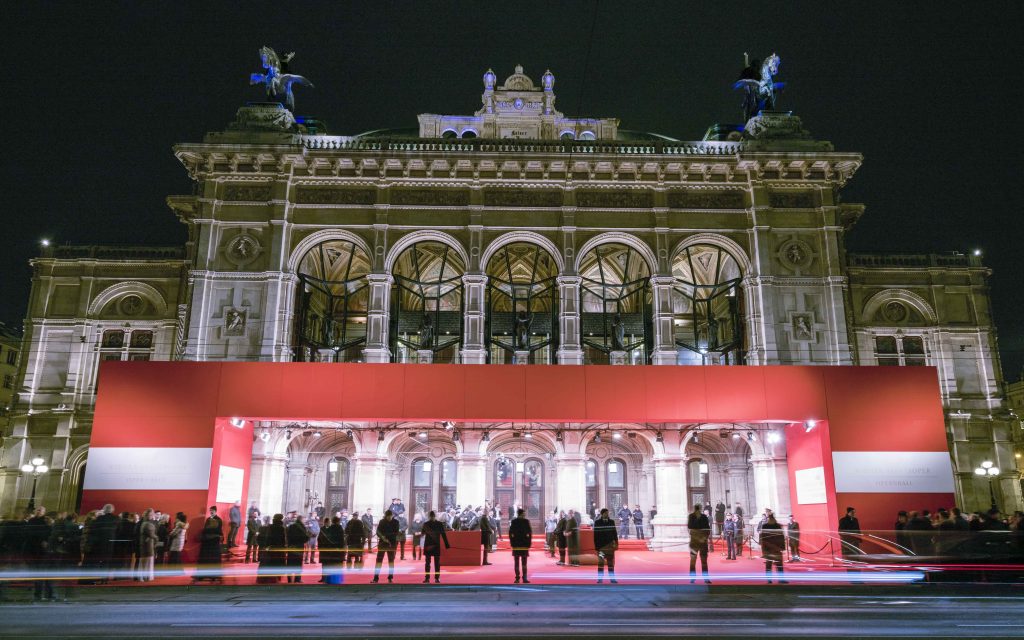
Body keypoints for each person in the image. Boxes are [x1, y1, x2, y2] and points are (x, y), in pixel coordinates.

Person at [24, 508, 54, 601]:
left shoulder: (46, 521)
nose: (38, 511)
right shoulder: (32, 521)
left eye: (40, 510)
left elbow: (50, 533)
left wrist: (46, 542)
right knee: (40, 573)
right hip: (35, 550)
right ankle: (40, 594)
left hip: (43, 551)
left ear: (44, 512)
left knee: (44, 573)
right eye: (37, 510)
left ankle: (47, 594)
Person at [195, 506, 223, 582]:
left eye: (212, 510)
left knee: (211, 559)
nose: (211, 512)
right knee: (206, 559)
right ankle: (203, 575)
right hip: (207, 543)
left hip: (213, 543)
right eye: (210, 510)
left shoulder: (219, 520)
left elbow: (218, 531)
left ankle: (212, 575)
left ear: (215, 511)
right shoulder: (208, 519)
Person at [420, 510, 450, 584]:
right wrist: (447, 544)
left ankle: (428, 578)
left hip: (429, 545)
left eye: (432, 516)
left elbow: (422, 534)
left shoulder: (426, 524)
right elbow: (443, 535)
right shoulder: (439, 524)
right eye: (432, 516)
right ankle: (435, 578)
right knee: (434, 563)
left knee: (430, 563)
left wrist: (447, 544)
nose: (432, 517)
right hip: (435, 545)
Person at [371, 510, 400, 583]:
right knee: (379, 561)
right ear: (386, 516)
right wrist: (382, 537)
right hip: (382, 543)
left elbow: (396, 532)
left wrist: (386, 537)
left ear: (392, 515)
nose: (389, 518)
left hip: (391, 543)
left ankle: (390, 577)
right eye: (388, 517)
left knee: (391, 561)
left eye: (390, 516)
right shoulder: (382, 521)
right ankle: (376, 578)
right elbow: (378, 531)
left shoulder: (396, 522)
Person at [258, 514, 287, 584]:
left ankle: (266, 578)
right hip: (278, 548)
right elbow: (283, 539)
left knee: (268, 563)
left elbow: (267, 538)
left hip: (270, 547)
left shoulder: (270, 527)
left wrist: (266, 546)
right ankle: (275, 577)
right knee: (277, 563)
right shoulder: (281, 528)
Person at [593, 508, 619, 584]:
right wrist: (596, 547)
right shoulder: (597, 523)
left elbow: (615, 534)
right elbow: (595, 536)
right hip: (601, 548)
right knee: (601, 563)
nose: (607, 514)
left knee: (610, 563)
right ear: (602, 514)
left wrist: (616, 544)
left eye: (608, 513)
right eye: (606, 513)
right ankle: (600, 579)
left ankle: (612, 579)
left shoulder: (612, 522)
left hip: (610, 547)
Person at [687, 503, 711, 584]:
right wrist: (704, 538)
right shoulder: (702, 516)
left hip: (695, 542)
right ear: (700, 509)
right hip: (701, 542)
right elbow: (707, 530)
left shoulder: (691, 516)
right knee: (702, 561)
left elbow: (690, 528)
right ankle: (705, 578)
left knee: (694, 561)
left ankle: (693, 578)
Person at [507, 508, 532, 583]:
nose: (525, 515)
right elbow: (530, 533)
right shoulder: (526, 521)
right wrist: (529, 543)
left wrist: (512, 542)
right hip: (523, 544)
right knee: (523, 562)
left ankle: (518, 578)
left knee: (517, 562)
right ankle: (523, 578)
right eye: (524, 513)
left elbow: (510, 533)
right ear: (520, 514)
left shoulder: (514, 521)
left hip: (517, 544)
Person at [759, 513, 786, 583]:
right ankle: (771, 580)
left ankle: (777, 579)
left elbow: (781, 537)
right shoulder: (769, 526)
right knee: (771, 565)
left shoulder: (776, 526)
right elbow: (763, 539)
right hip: (771, 549)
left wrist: (782, 548)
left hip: (774, 549)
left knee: (778, 565)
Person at [320, 516, 345, 584]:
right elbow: (342, 541)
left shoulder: (330, 528)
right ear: (338, 521)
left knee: (330, 565)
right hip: (338, 551)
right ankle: (337, 580)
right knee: (337, 566)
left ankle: (328, 580)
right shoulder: (340, 529)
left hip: (330, 551)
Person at [284, 515, 308, 583]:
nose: (305, 521)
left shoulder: (291, 526)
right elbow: (304, 538)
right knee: (298, 563)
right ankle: (297, 579)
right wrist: (308, 537)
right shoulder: (302, 527)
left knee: (290, 563)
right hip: (299, 547)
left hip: (291, 547)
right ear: (301, 519)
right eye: (304, 519)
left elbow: (287, 535)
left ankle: (289, 579)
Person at [137, 508, 157, 582]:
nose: (151, 516)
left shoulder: (147, 523)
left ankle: (146, 577)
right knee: (144, 561)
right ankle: (143, 577)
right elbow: (152, 535)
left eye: (152, 514)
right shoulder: (145, 523)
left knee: (148, 561)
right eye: (150, 514)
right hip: (146, 545)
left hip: (148, 544)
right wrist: (156, 538)